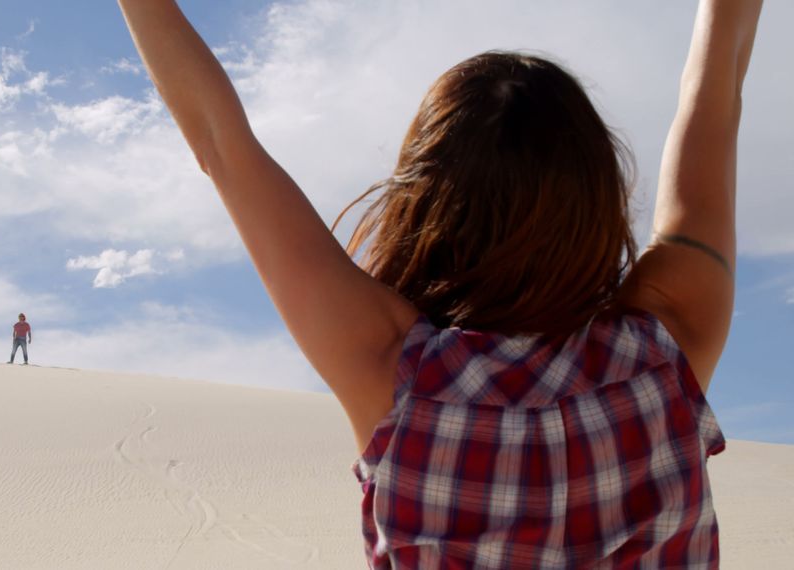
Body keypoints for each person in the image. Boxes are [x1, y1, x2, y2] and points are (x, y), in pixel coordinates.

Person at [117, 0, 762, 567]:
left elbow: (220, 143)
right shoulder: (672, 338)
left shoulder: (391, 371)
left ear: (425, 202)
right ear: (596, 196)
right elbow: (714, 94)